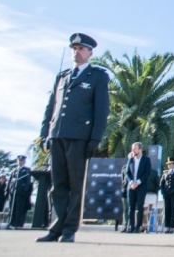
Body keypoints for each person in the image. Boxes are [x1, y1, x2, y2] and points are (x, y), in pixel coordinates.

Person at [36, 33, 110, 243]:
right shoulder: (62, 76)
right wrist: (44, 134)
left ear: (90, 52)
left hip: (79, 137)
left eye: (80, 49)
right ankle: (55, 228)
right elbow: (51, 108)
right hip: (57, 134)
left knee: (75, 184)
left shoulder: (97, 76)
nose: (76, 52)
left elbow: (101, 110)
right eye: (74, 48)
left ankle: (69, 229)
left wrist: (94, 139)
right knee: (58, 185)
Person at [126, 142, 152, 233]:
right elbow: (127, 172)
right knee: (131, 207)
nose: (133, 150)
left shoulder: (146, 160)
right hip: (131, 187)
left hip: (141, 186)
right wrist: (131, 182)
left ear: (140, 149)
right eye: (132, 149)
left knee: (140, 206)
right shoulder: (131, 160)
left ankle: (138, 227)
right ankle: (131, 226)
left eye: (135, 149)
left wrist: (138, 182)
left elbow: (147, 173)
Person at [7, 155, 32, 230]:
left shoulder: (26, 170)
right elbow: (10, 181)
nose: (20, 162)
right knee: (12, 208)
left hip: (21, 192)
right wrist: (7, 189)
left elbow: (28, 181)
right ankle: (11, 223)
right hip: (13, 191)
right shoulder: (14, 170)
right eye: (19, 161)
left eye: (22, 161)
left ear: (24, 162)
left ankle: (18, 224)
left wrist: (25, 190)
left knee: (19, 208)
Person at [161, 157, 174, 233]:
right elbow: (162, 183)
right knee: (167, 210)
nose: (169, 165)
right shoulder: (166, 173)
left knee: (173, 210)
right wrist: (163, 192)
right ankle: (167, 226)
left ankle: (172, 226)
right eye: (168, 164)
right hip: (167, 194)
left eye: (170, 164)